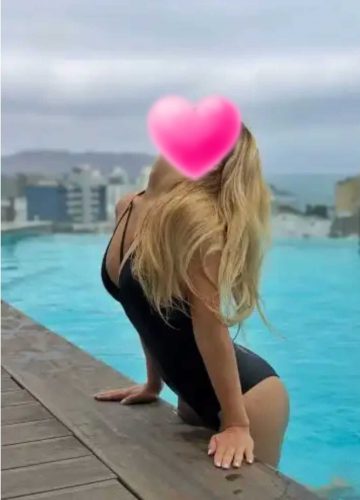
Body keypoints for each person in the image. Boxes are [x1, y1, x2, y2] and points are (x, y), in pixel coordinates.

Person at [94, 123, 290, 470]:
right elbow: (144, 309)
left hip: (247, 400)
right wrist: (153, 383)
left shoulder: (194, 223)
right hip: (190, 395)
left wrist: (237, 424)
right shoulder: (129, 206)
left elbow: (210, 327)